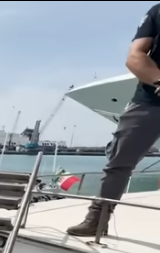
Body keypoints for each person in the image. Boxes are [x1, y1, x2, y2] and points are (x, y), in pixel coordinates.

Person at [67, 3, 160, 236]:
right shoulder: (158, 11)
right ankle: (96, 220)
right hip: (150, 100)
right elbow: (135, 56)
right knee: (119, 163)